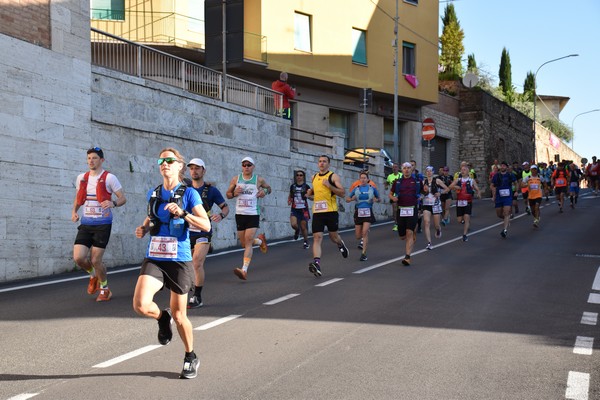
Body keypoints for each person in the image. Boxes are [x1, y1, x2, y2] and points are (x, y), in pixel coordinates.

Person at [133, 148, 211, 379]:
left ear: (180, 166)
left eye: (170, 160)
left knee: (180, 316)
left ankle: (190, 356)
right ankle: (160, 317)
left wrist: (183, 213)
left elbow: (205, 225)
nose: (165, 163)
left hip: (179, 259)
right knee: (140, 305)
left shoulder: (190, 194)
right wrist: (144, 228)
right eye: (161, 160)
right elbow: (151, 219)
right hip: (155, 256)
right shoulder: (154, 193)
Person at [72, 147, 126, 302]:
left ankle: (105, 289)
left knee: (96, 260)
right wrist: (74, 212)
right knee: (78, 258)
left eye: (94, 158)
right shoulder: (81, 178)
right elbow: (78, 198)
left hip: (103, 224)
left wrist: (113, 203)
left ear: (101, 160)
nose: (91, 161)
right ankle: (93, 274)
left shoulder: (110, 178)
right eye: (89, 158)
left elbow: (123, 198)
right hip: (86, 224)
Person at [186, 158, 229, 309]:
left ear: (203, 171)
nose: (194, 171)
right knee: (189, 264)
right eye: (191, 168)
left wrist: (221, 215)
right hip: (185, 231)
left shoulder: (211, 191)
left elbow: (225, 207)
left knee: (197, 262)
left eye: (197, 168)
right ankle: (189, 286)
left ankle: (197, 297)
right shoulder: (183, 188)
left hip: (203, 231)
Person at [226, 156, 271, 280]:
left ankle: (244, 270)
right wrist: (234, 193)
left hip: (252, 213)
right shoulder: (236, 179)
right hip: (240, 214)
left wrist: (264, 192)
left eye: (249, 165)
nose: (246, 167)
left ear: (253, 167)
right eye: (244, 165)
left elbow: (269, 188)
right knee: (244, 244)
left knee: (249, 239)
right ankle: (261, 241)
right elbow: (228, 194)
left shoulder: (258, 180)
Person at [306, 155, 349, 277]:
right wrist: (309, 193)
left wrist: (330, 186)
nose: (322, 163)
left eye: (324, 161)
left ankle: (340, 244)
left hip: (331, 211)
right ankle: (317, 264)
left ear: (328, 164)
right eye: (320, 161)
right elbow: (316, 193)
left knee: (333, 237)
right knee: (317, 237)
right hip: (318, 212)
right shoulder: (314, 177)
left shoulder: (333, 176)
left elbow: (342, 192)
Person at [389, 162, 423, 266]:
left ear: (411, 169)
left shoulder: (417, 181)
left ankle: (407, 257)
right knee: (402, 236)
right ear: (401, 169)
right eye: (404, 168)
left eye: (408, 168)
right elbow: (390, 193)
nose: (407, 170)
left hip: (412, 209)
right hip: (401, 210)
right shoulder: (398, 182)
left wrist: (421, 195)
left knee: (409, 233)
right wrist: (393, 198)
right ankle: (412, 233)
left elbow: (423, 192)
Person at [346, 171, 380, 261]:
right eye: (361, 178)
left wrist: (375, 200)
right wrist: (351, 199)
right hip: (358, 212)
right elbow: (347, 199)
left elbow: (379, 198)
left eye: (365, 178)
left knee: (364, 233)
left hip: (368, 211)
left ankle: (364, 253)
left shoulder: (372, 188)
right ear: (359, 179)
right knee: (358, 236)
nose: (363, 179)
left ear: (368, 179)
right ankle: (364, 232)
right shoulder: (356, 188)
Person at [448, 164, 481, 242]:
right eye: (461, 170)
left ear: (468, 172)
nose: (462, 171)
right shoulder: (458, 180)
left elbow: (477, 188)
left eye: (464, 170)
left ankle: (465, 235)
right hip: (459, 202)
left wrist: (478, 193)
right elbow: (450, 186)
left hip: (468, 202)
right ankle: (466, 222)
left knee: (466, 217)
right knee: (459, 220)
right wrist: (455, 187)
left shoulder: (471, 180)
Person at [422, 166, 450, 250]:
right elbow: (421, 192)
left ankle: (438, 229)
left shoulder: (437, 180)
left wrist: (440, 193)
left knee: (436, 225)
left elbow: (447, 189)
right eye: (427, 171)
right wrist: (421, 195)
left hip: (435, 204)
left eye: (430, 171)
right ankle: (429, 243)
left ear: (433, 172)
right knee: (426, 222)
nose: (429, 172)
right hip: (426, 204)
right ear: (426, 172)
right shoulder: (423, 181)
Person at [490, 161, 517, 238]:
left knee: (506, 212)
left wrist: (516, 192)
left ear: (507, 167)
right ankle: (506, 219)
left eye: (504, 166)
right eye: (501, 166)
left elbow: (516, 183)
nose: (502, 167)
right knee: (499, 214)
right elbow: (492, 185)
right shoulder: (496, 176)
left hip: (508, 197)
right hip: (499, 196)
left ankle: (504, 230)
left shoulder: (510, 175)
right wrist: (493, 191)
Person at [288, 170, 311, 249]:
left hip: (303, 209)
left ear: (303, 177)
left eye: (301, 175)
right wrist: (289, 200)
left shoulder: (306, 186)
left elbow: (312, 197)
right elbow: (290, 195)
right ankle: (297, 230)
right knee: (293, 224)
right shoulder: (293, 186)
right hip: (294, 208)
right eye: (297, 175)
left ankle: (306, 241)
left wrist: (308, 196)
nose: (299, 177)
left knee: (303, 227)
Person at [385, 162, 402, 231]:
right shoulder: (390, 176)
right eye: (393, 167)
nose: (394, 168)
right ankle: (396, 224)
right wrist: (386, 186)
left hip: (401, 195)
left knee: (400, 210)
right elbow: (387, 183)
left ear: (398, 168)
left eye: (395, 167)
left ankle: (401, 223)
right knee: (395, 210)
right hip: (393, 196)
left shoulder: (401, 175)